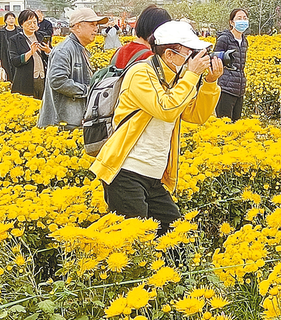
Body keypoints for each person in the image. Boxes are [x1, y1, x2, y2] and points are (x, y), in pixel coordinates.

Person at [89, 21, 223, 236]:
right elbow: (166, 108)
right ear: (169, 54)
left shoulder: (175, 79)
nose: (194, 58)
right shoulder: (141, 74)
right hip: (126, 173)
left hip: (154, 176)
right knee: (134, 242)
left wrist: (209, 83)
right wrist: (191, 76)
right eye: (189, 52)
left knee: (175, 238)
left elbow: (196, 115)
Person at [37, 8, 108, 129]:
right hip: (61, 124)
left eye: (96, 25)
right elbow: (57, 80)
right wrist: (87, 90)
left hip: (73, 122)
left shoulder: (80, 49)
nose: (96, 29)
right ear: (78, 27)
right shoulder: (64, 50)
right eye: (92, 24)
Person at [213, 8, 249, 121]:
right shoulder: (224, 39)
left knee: (236, 124)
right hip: (225, 88)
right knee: (224, 123)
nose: (242, 21)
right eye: (239, 18)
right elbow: (215, 60)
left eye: (245, 18)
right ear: (231, 22)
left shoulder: (244, 41)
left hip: (239, 88)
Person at [7, 10, 51, 99]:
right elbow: (15, 61)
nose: (32, 25)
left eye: (35, 22)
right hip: (25, 80)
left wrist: (48, 50)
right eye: (29, 22)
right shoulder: (15, 40)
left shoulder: (42, 36)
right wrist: (30, 52)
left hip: (43, 78)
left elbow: (51, 56)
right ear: (22, 23)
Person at [0, 12, 21, 82]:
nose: (11, 20)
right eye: (9, 18)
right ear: (5, 21)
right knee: (7, 74)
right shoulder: (2, 32)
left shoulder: (19, 31)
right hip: (5, 56)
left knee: (17, 73)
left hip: (17, 55)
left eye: (13, 18)